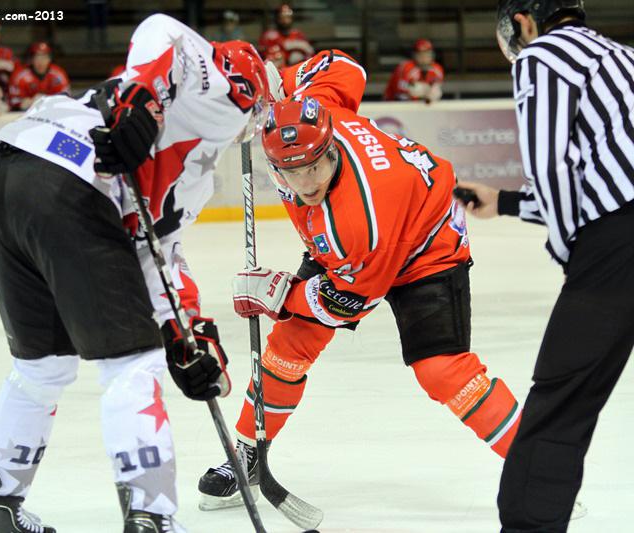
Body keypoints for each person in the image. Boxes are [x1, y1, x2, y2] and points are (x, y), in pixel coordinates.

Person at [0, 14, 269, 533]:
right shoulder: (224, 93)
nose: (253, 125)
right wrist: (142, 102)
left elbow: (157, 256)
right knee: (132, 366)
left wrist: (184, 333)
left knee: (43, 371)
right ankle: (151, 519)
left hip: (9, 183)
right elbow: (162, 29)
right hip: (72, 186)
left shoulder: (192, 172)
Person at [197, 50, 522, 510]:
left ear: (330, 149)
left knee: (442, 371)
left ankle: (538, 466)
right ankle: (248, 452)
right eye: (292, 170)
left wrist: (281, 294)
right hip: (364, 244)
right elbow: (346, 67)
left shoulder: (356, 220)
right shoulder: (314, 110)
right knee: (288, 348)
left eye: (315, 166)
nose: (307, 182)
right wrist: (275, 81)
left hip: (425, 242)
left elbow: (347, 301)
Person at [457, 1, 634, 531]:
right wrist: (507, 203)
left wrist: (567, 249)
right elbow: (601, 177)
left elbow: (554, 164)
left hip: (616, 250)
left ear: (525, 22)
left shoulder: (544, 56)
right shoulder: (623, 56)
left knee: (562, 396)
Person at [7, 42, 70, 111]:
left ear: (49, 59)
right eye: (37, 58)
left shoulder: (58, 75)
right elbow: (14, 103)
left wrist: (46, 100)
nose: (40, 62)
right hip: (25, 114)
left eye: (44, 57)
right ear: (31, 60)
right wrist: (29, 102)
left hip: (52, 112)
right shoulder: (19, 76)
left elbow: (65, 100)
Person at [384, 39, 445, 103]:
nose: (423, 57)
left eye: (427, 54)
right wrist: (423, 89)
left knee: (436, 92)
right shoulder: (405, 66)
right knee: (415, 89)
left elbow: (437, 86)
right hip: (393, 101)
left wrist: (431, 90)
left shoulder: (437, 68)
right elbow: (400, 89)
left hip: (419, 103)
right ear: (414, 55)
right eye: (420, 54)